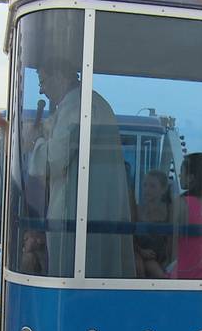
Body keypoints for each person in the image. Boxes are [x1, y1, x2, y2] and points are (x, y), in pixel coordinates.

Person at [26, 58, 135, 278]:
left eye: (43, 81)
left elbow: (54, 160)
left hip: (79, 215)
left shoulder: (78, 106)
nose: (41, 90)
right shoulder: (89, 103)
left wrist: (35, 142)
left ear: (59, 75)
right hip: (97, 211)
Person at [135, 170, 171, 278]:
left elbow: (172, 238)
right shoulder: (136, 210)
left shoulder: (170, 210)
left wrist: (169, 259)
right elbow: (129, 238)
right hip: (142, 256)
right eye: (145, 185)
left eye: (152, 186)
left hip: (164, 257)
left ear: (163, 189)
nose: (147, 190)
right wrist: (141, 251)